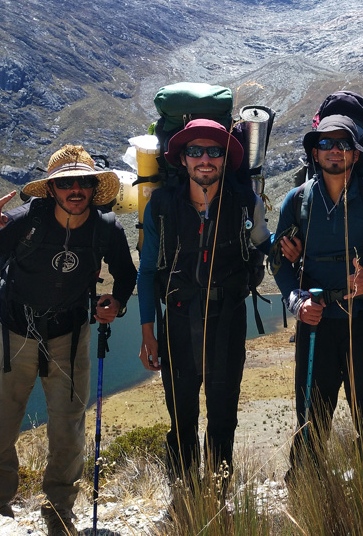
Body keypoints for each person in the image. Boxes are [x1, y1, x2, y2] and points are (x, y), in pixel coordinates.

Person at [0, 145, 136, 536]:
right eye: (65, 183)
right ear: (52, 189)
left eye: (83, 181)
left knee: (68, 427)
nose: (75, 189)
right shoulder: (24, 222)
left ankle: (59, 512)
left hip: (70, 334)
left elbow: (126, 274)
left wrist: (117, 302)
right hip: (14, 334)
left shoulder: (106, 227)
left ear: (93, 187)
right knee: (1, 426)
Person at [272, 115, 363, 476]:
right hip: (315, 320)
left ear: (355, 153)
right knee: (311, 408)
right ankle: (304, 484)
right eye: (325, 144)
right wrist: (297, 301)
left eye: (343, 144)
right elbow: (280, 263)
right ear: (315, 154)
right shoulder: (298, 200)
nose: (334, 150)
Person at [136, 119, 270, 490]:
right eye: (195, 151)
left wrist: (288, 251)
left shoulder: (246, 202)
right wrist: (148, 332)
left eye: (214, 151)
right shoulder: (161, 206)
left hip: (228, 317)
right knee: (181, 411)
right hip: (177, 320)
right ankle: (183, 491)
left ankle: (218, 489)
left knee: (223, 410)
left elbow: (263, 241)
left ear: (226, 159)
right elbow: (147, 272)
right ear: (182, 159)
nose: (205, 159)